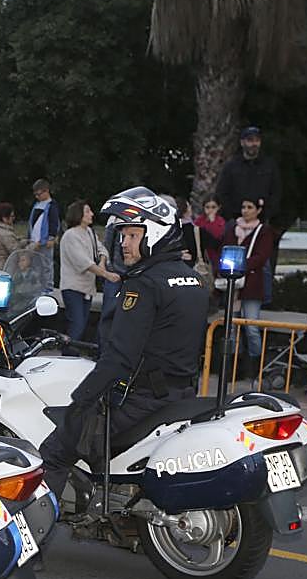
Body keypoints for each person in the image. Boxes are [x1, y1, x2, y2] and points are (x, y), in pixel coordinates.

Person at [39, 187, 209, 501]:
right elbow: (164, 338)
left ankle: (30, 541)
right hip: (181, 393)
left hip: (141, 401)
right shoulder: (193, 279)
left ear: (154, 235)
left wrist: (81, 400)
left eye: (132, 236)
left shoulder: (143, 284)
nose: (124, 244)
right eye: (123, 236)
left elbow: (121, 356)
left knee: (56, 449)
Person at [212, 197, 274, 380]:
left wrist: (239, 265)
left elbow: (261, 257)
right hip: (234, 285)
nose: (245, 210)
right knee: (231, 327)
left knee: (251, 327)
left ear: (258, 210)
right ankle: (233, 367)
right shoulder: (232, 229)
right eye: (243, 207)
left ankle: (255, 367)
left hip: (251, 285)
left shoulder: (263, 231)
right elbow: (223, 249)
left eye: (249, 207)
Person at [58, 200, 118, 342]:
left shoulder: (90, 232)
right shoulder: (70, 235)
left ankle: (75, 354)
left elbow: (101, 249)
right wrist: (106, 274)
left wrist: (102, 262)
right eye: (87, 211)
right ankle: (69, 357)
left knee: (82, 324)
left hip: (87, 288)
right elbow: (83, 262)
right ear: (78, 214)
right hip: (73, 287)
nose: (91, 214)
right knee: (77, 324)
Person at [216, 127, 281, 225]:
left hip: (261, 221)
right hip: (235, 221)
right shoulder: (231, 166)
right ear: (242, 142)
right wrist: (232, 217)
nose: (254, 144)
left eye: (257, 140)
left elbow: (276, 192)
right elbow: (222, 193)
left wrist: (266, 214)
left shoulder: (269, 166)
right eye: (250, 140)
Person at [29, 179, 61, 292]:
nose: (37, 197)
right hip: (35, 241)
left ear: (46, 191)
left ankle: (47, 288)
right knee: (36, 265)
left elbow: (54, 223)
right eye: (35, 195)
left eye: (39, 194)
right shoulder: (37, 205)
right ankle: (37, 287)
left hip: (46, 241)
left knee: (46, 265)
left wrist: (51, 237)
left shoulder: (51, 205)